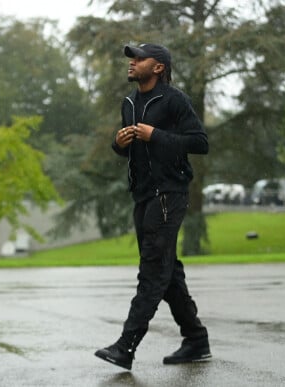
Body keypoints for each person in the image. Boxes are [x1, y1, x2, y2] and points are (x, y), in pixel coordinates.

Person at [94, 43, 211, 370]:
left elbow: (200, 142)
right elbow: (128, 150)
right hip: (143, 196)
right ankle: (196, 339)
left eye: (139, 58)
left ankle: (125, 346)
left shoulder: (174, 100)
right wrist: (117, 145)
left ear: (158, 67)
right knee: (166, 271)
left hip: (168, 194)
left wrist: (156, 135)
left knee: (152, 271)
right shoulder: (129, 103)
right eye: (131, 58)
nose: (132, 63)